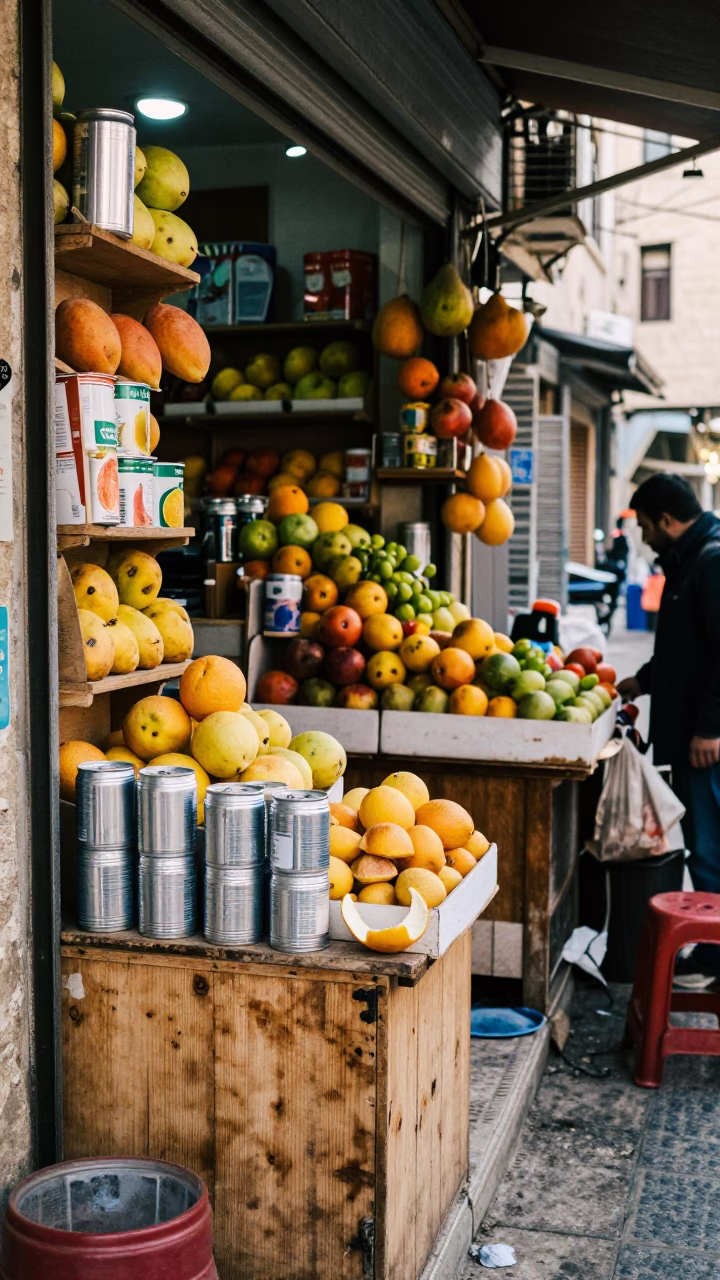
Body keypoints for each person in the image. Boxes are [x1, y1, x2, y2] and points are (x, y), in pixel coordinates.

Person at [617, 474, 720, 984]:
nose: (643, 537)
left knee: (709, 847)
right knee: (704, 843)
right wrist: (644, 681)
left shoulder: (710, 560)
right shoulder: (688, 561)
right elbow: (687, 652)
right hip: (689, 734)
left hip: (706, 743)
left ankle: (712, 957)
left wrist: (710, 728)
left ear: (665, 520)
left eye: (643, 526)